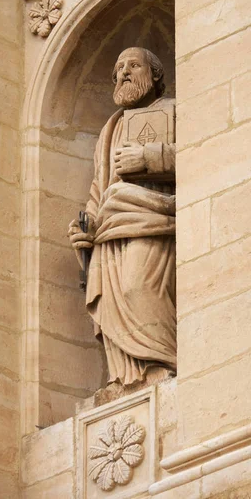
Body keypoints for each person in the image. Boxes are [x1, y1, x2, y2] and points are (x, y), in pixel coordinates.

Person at [68, 47, 176, 386]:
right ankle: (126, 378)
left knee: (138, 287)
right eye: (118, 68)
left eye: (133, 65)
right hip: (110, 227)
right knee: (114, 303)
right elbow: (101, 187)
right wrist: (86, 224)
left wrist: (148, 159)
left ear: (155, 74)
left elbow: (204, 155)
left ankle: (162, 364)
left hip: (152, 217)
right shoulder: (110, 129)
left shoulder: (174, 111)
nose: (123, 72)